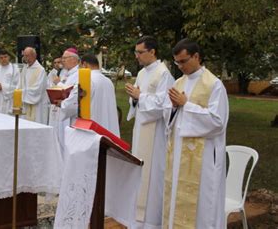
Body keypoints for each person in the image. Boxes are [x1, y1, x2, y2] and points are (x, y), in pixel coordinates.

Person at [163, 39, 229, 228]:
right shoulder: (178, 82)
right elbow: (169, 115)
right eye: (177, 62)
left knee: (201, 204)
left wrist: (186, 105)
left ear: (196, 57)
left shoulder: (214, 85)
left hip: (203, 156)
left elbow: (218, 122)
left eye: (183, 61)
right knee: (176, 193)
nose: (180, 66)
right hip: (178, 153)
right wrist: (174, 108)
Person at [125, 36, 174, 228]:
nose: (136, 56)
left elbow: (165, 106)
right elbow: (137, 101)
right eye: (135, 52)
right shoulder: (142, 74)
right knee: (140, 171)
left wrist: (140, 97)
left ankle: (152, 221)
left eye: (140, 52)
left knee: (153, 176)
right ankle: (137, 219)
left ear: (152, 52)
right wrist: (135, 100)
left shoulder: (164, 75)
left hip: (156, 136)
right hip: (141, 130)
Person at [80, 54, 120, 136]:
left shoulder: (87, 80)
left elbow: (78, 103)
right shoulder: (108, 81)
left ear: (85, 64)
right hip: (108, 124)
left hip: (93, 125)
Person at [52, 48, 80, 152]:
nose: (62, 60)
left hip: (70, 114)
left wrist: (59, 83)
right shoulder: (66, 73)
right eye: (62, 58)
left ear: (74, 59)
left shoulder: (78, 74)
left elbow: (72, 95)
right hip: (62, 110)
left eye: (65, 58)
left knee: (67, 143)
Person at [19, 47, 48, 124]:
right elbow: (20, 84)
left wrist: (22, 92)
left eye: (28, 56)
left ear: (34, 55)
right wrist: (18, 91)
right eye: (24, 56)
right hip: (25, 104)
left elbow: (38, 89)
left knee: (36, 123)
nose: (26, 58)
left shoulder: (40, 70)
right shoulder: (25, 69)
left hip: (37, 105)